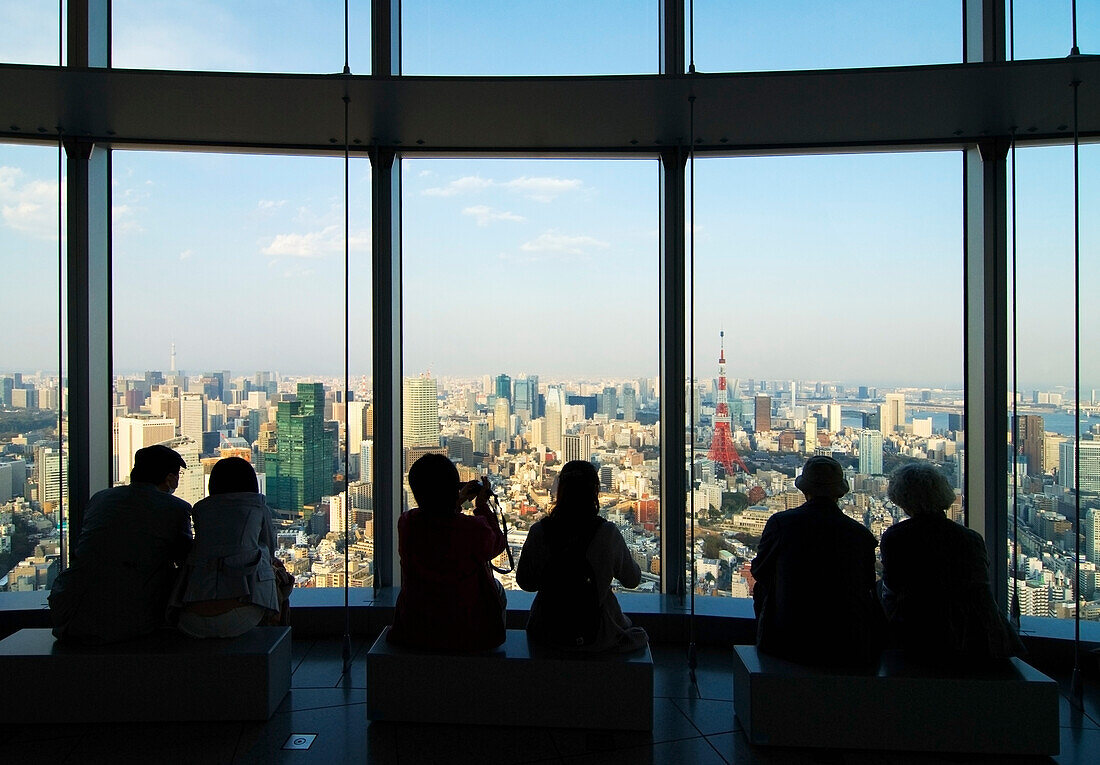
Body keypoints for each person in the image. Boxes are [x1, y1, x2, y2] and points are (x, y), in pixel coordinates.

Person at [48, 444, 193, 644]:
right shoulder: (175, 508)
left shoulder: (101, 498)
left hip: (69, 614)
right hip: (128, 621)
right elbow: (185, 557)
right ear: (169, 478)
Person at [881, 462, 1023, 665]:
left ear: (902, 499)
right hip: (980, 635)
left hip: (919, 631)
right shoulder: (970, 537)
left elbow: (893, 586)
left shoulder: (897, 536)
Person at [751, 455, 882, 667]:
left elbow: (760, 571)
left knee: (761, 588)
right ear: (839, 493)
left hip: (788, 637)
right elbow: (866, 585)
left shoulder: (781, 524)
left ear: (805, 489)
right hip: (846, 641)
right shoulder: (860, 535)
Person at [517, 460, 648, 652]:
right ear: (595, 491)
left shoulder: (539, 532)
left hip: (545, 633)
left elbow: (525, 583)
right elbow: (632, 580)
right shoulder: (607, 534)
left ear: (560, 490)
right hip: (597, 636)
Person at [388, 454, 507, 651]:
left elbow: (436, 516)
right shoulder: (473, 530)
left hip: (415, 628)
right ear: (453, 489)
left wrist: (457, 499)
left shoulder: (407, 523)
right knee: (498, 590)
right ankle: (492, 647)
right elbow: (498, 543)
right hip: (466, 631)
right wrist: (481, 506)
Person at [173, 457, 286, 638]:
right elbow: (270, 551)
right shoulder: (258, 508)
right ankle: (275, 635)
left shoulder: (200, 510)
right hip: (240, 617)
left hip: (190, 616)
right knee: (276, 570)